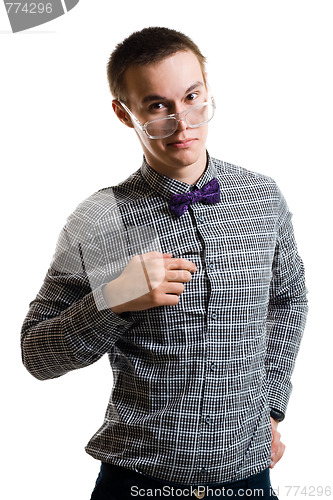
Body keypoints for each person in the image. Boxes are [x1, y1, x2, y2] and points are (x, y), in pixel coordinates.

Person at [21, 27, 308, 499]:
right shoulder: (98, 219)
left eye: (192, 97)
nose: (182, 123)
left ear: (207, 89)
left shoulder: (262, 198)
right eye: (157, 106)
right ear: (123, 113)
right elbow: (37, 356)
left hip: (247, 481)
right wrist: (112, 300)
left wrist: (270, 407)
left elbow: (288, 299)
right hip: (137, 482)